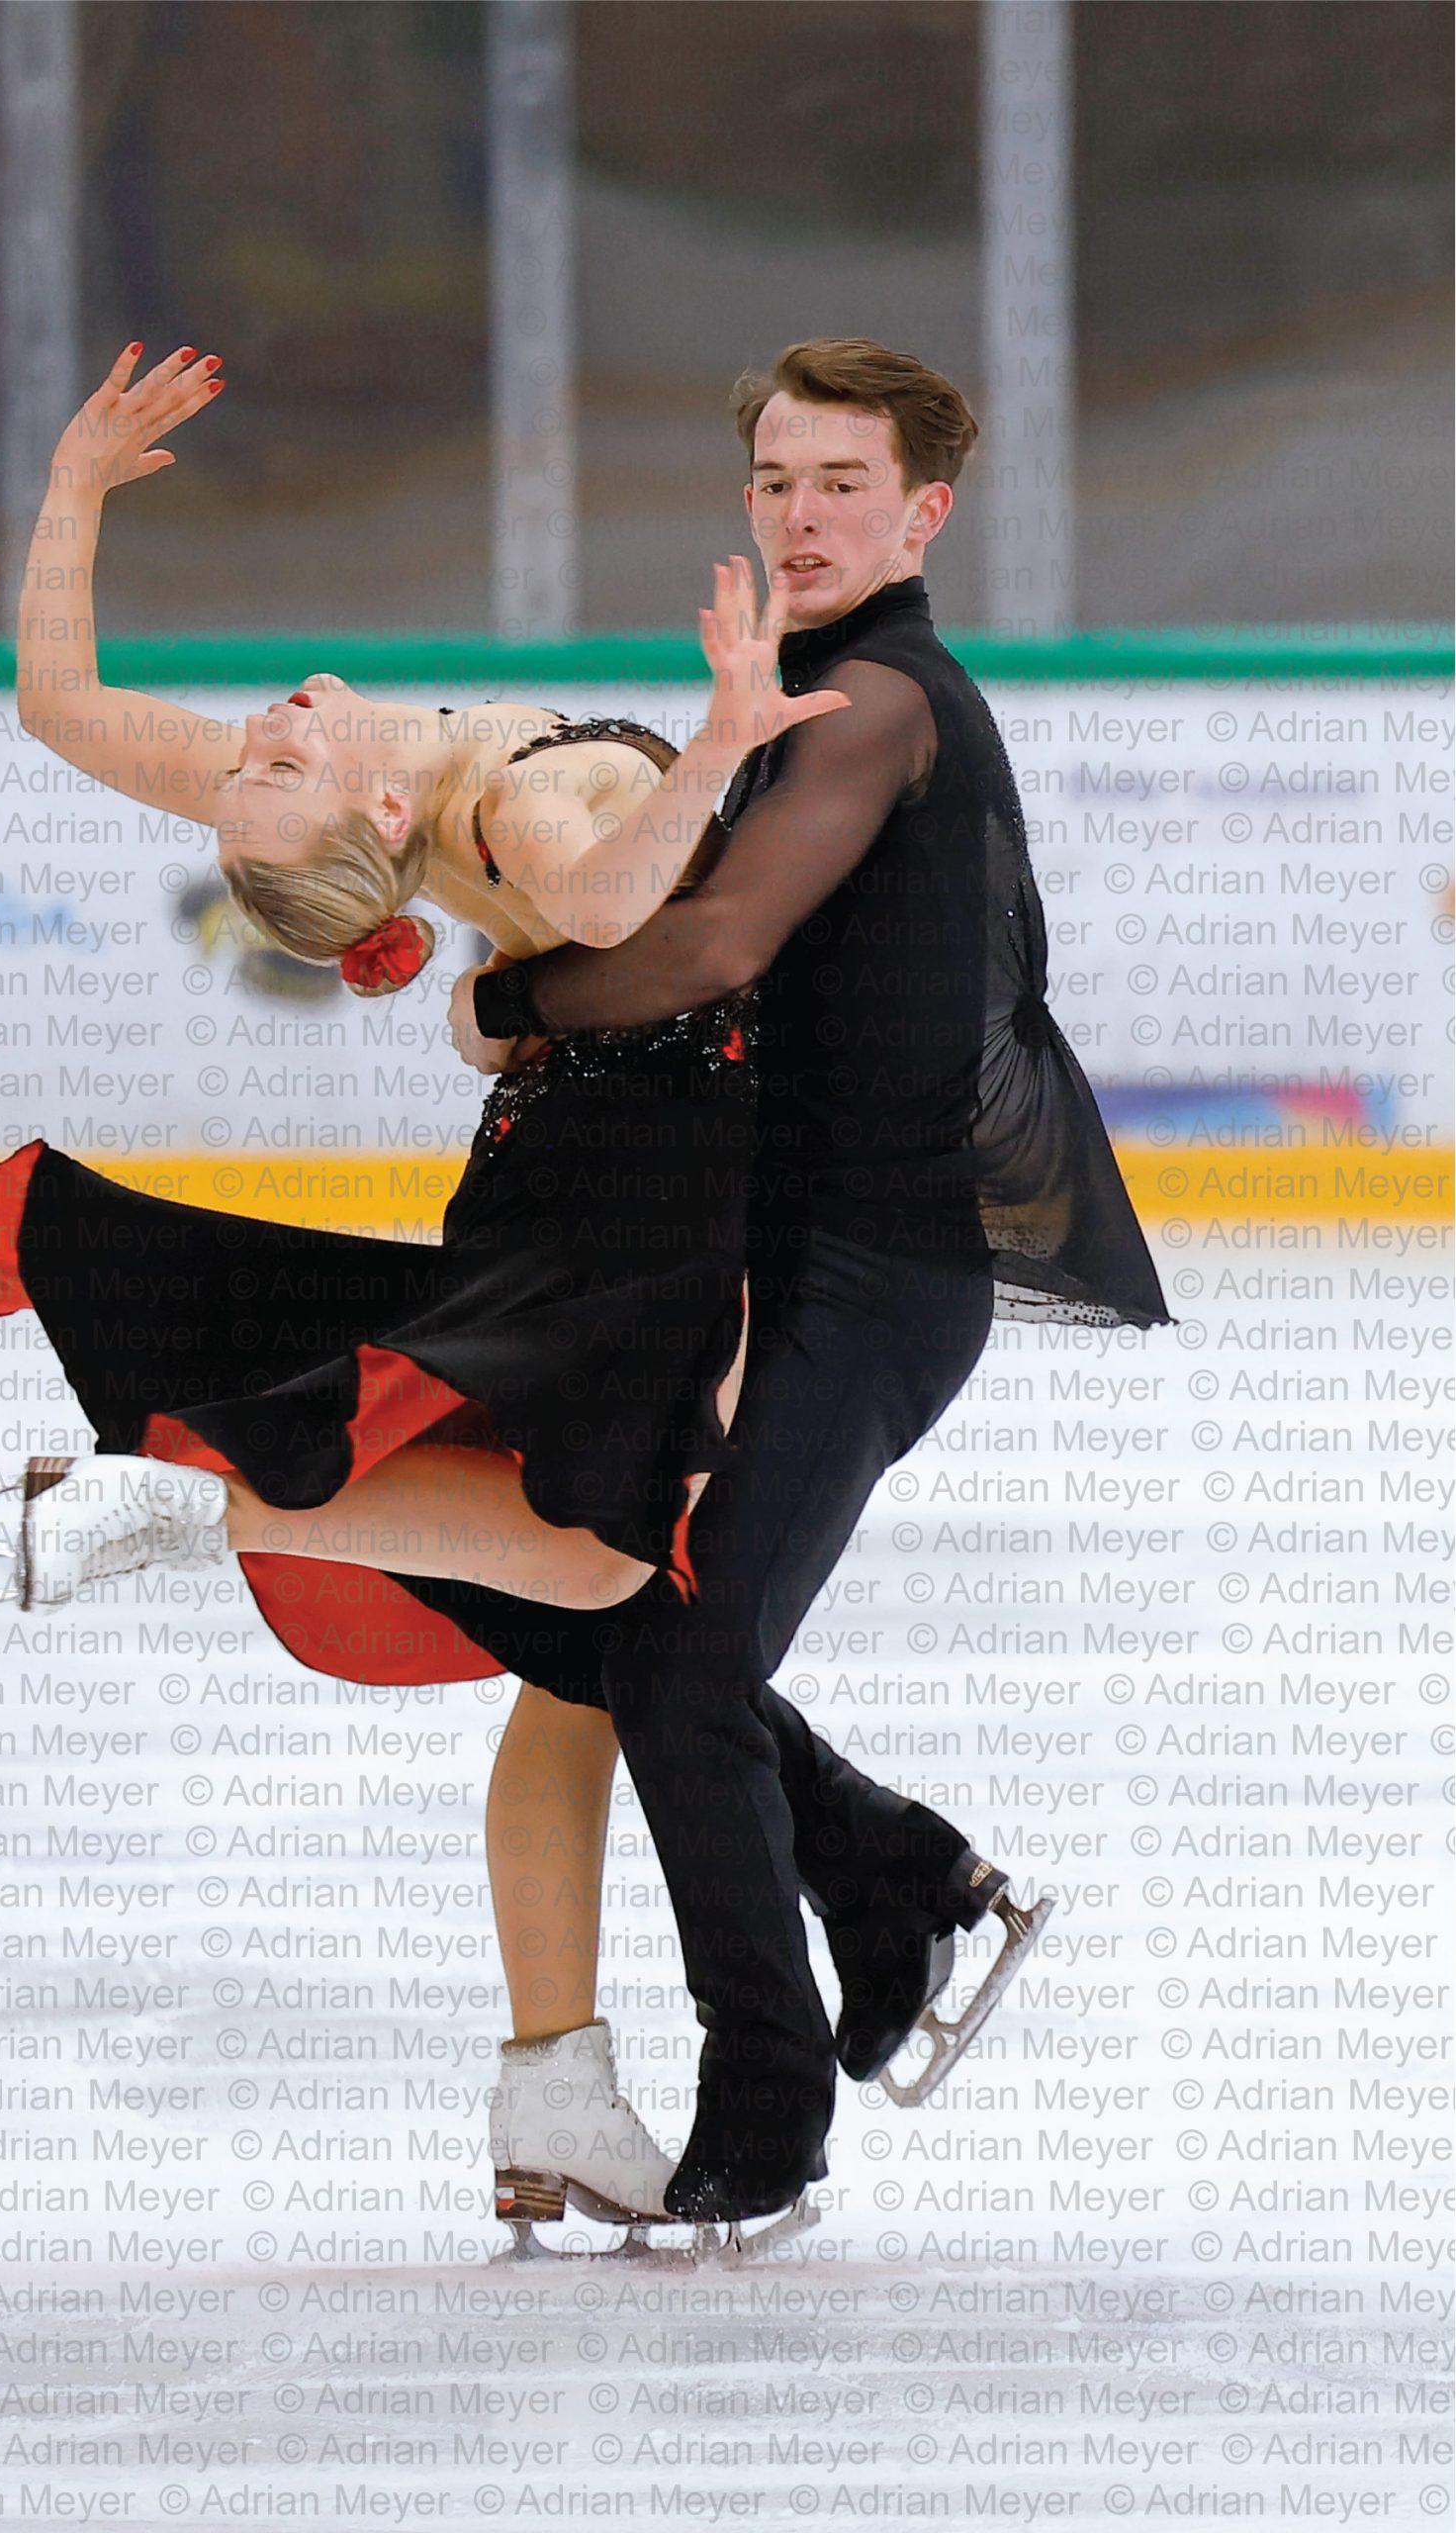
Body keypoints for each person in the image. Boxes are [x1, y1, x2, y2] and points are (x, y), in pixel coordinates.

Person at [0, 340, 848, 2238]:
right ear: (369, 843)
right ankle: (211, 1493)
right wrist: (721, 732)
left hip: (555, 1169)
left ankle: (553, 2092)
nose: (263, 730)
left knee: (583, 1652)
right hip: (650, 1182)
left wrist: (80, 488)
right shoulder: (516, 800)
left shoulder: (369, 784)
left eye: (259, 760)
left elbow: (55, 703)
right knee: (605, 1576)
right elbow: (609, 908)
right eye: (274, 766)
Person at [447, 337, 1173, 2226]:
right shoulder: (785, 699)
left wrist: (501, 1006)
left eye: (842, 483)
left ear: (924, 511)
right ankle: (897, 1871)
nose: (801, 512)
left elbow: (704, 948)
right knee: (594, 1616)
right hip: (759, 1260)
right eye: (776, 479)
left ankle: (765, 2113)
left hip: (875, 1275)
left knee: (678, 1658)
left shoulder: (878, 703)